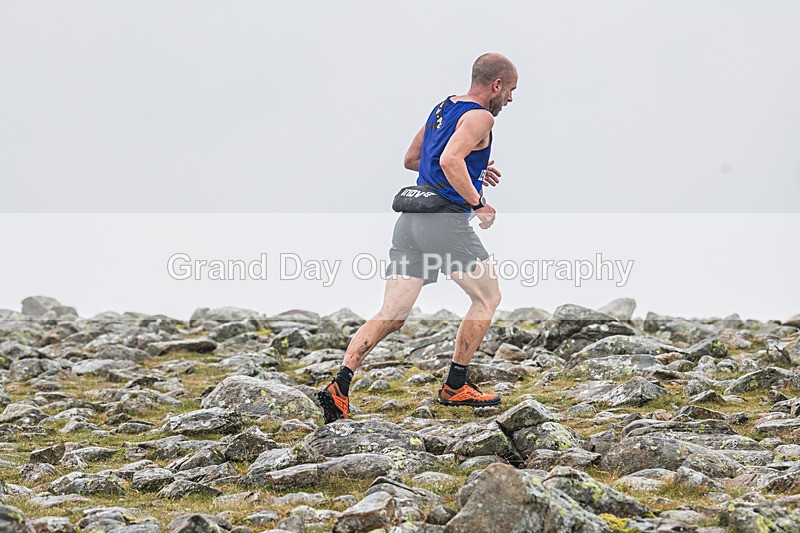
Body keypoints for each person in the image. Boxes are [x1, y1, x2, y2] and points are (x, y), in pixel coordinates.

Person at [316, 53, 518, 423]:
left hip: (410, 221)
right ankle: (456, 385)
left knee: (391, 315)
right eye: (511, 91)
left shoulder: (441, 110)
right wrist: (479, 203)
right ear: (496, 85)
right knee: (488, 297)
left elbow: (414, 159)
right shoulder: (481, 117)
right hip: (444, 223)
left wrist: (474, 168)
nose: (510, 100)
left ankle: (340, 385)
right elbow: (448, 162)